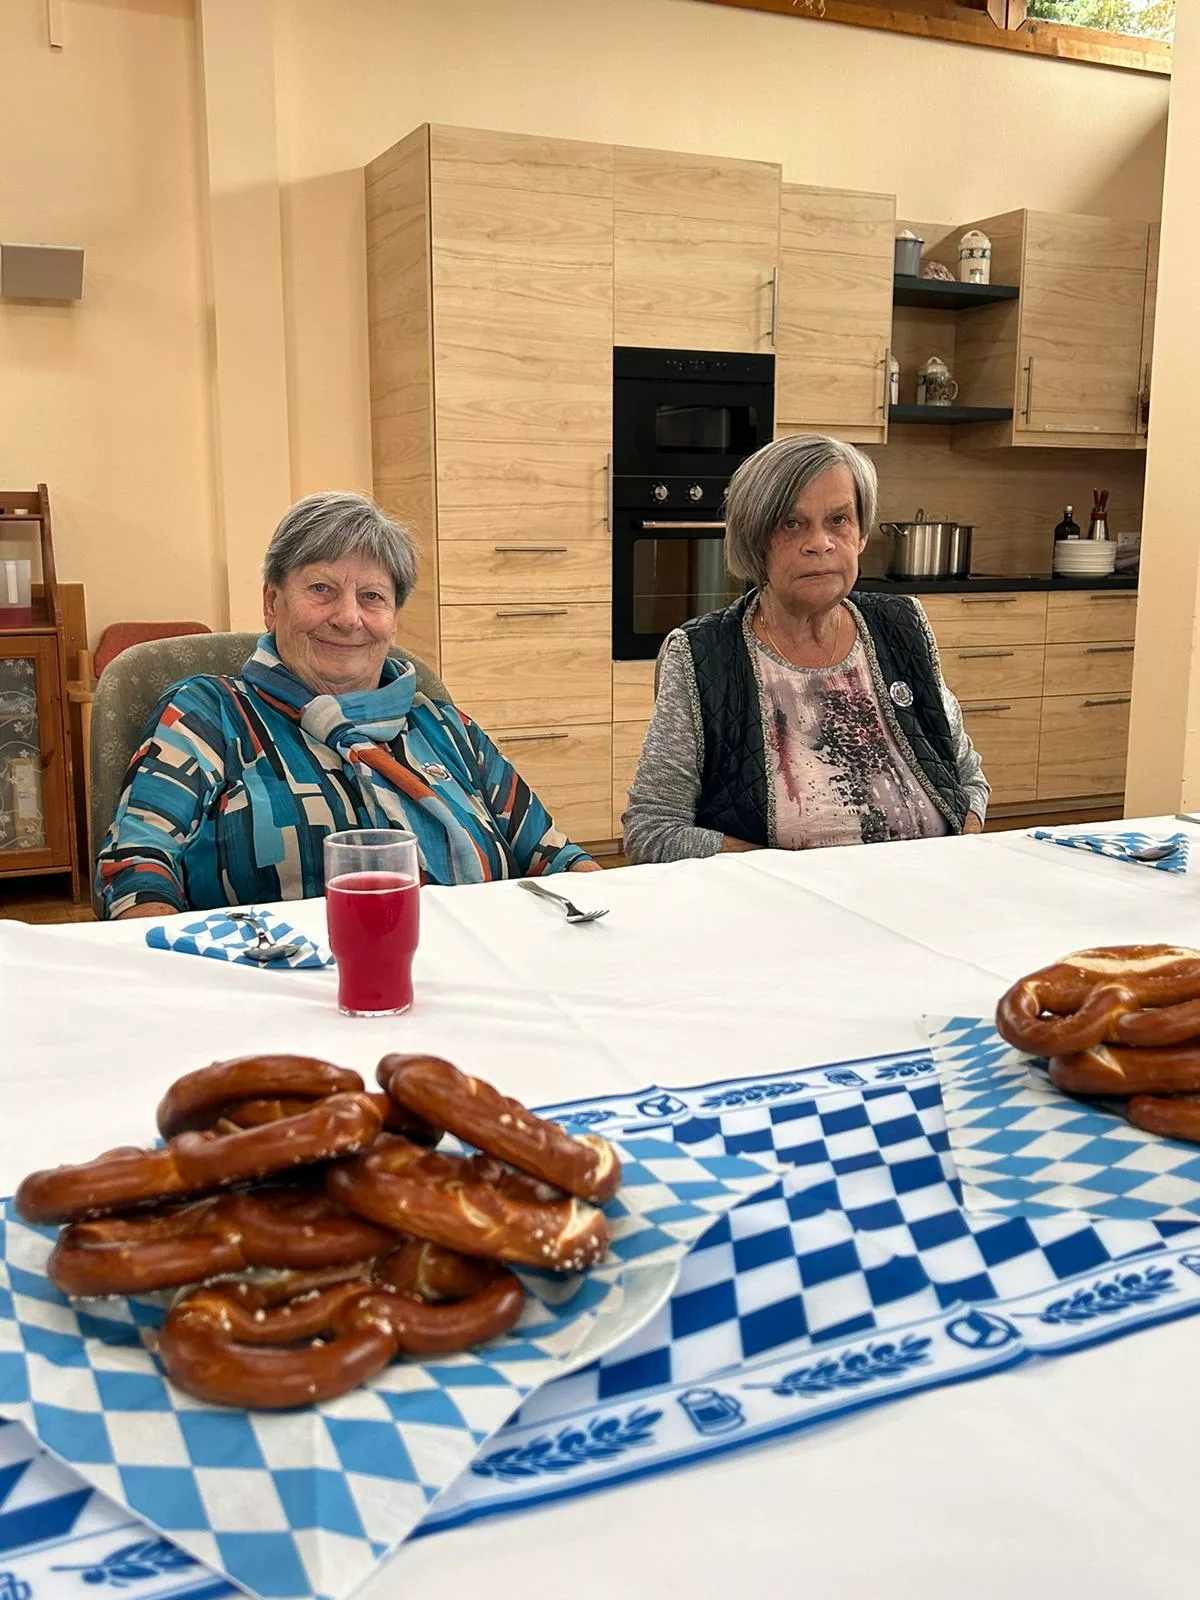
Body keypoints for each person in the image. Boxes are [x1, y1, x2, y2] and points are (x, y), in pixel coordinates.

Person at [96, 492, 600, 918]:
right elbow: (136, 870)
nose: (348, 617)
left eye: (372, 597)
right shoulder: (209, 713)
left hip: (478, 977)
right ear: (272, 602)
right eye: (322, 589)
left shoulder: (446, 728)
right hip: (276, 984)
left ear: (393, 619)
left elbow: (559, 859)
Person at [622, 434, 988, 864]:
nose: (821, 542)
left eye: (838, 520)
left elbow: (967, 779)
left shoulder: (903, 626)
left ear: (861, 535)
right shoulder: (703, 655)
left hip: (924, 888)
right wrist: (780, 873)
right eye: (791, 524)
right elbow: (652, 829)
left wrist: (963, 853)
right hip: (780, 901)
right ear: (756, 541)